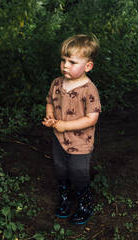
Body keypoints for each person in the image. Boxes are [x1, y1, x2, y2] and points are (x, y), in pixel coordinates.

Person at [42, 34, 101, 225]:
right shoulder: (57, 83)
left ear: (88, 66)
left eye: (72, 62)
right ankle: (66, 197)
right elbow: (50, 101)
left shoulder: (88, 89)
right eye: (63, 60)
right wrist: (51, 117)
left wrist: (66, 125)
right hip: (59, 139)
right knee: (60, 169)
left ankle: (85, 201)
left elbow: (92, 118)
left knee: (78, 171)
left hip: (80, 142)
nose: (65, 65)